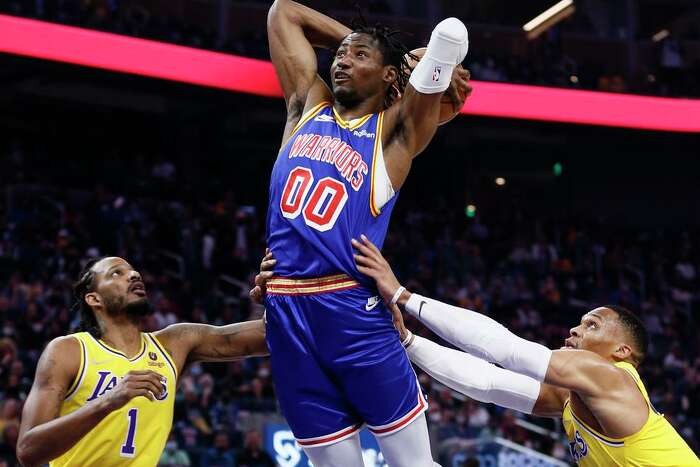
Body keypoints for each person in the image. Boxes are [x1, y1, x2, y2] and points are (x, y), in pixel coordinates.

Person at [264, 0, 471, 465]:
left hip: (350, 307)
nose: (341, 59)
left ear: (389, 80)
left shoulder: (393, 132)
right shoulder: (306, 105)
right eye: (340, 53)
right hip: (285, 308)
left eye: (359, 57)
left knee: (413, 463)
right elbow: (283, 13)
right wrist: (363, 43)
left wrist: (422, 63)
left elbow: (449, 37)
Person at [349, 235, 700, 466]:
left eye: (592, 325)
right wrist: (408, 341)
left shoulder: (613, 379)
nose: (576, 329)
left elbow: (506, 349)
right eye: (580, 321)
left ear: (622, 351)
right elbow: (488, 383)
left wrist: (403, 297)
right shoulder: (571, 399)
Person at [17, 257, 268, 467]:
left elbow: (273, 336)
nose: (134, 274)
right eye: (117, 273)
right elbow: (28, 450)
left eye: (133, 271)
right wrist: (108, 401)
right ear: (94, 299)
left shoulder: (174, 344)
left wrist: (280, 296)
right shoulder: (69, 351)